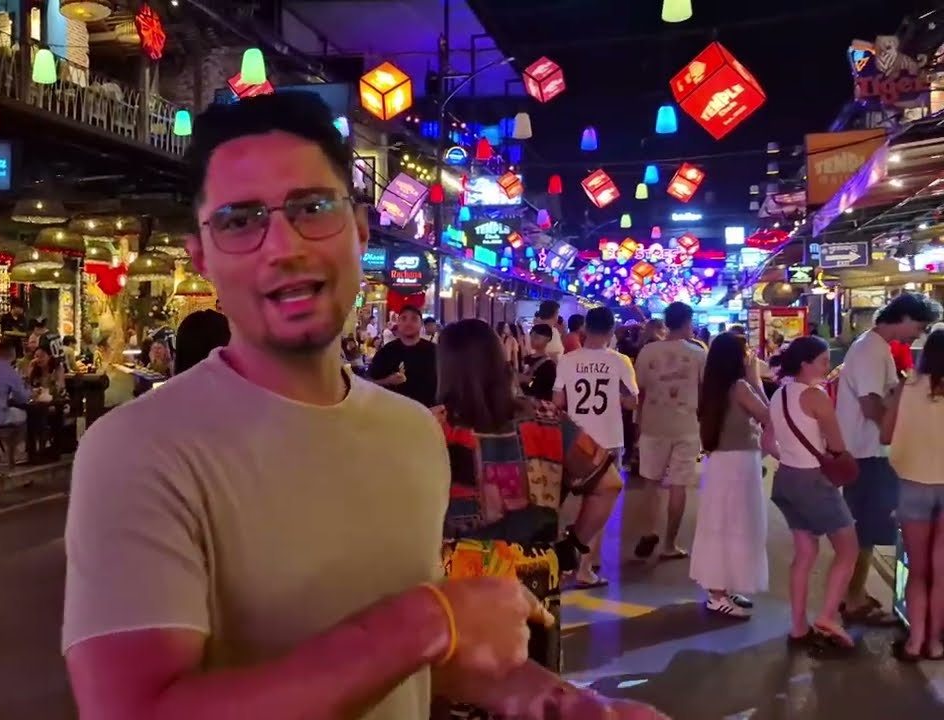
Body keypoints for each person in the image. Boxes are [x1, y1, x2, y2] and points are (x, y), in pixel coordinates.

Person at [61, 92, 660, 720]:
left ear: (361, 229)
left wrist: (564, 701)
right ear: (201, 258)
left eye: (313, 207)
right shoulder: (138, 449)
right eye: (239, 220)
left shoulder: (412, 433)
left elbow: (408, 671)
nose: (282, 246)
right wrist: (426, 620)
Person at [435, 318, 625, 708]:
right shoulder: (550, 421)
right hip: (535, 578)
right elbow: (609, 484)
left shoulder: (430, 427)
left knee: (460, 696)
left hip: (455, 586)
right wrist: (573, 545)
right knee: (532, 696)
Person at [835, 292, 941, 626]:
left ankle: (854, 594)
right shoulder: (871, 350)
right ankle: (852, 599)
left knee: (866, 528)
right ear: (905, 317)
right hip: (867, 453)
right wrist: (895, 430)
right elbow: (870, 405)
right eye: (919, 326)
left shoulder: (874, 347)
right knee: (865, 530)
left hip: (867, 452)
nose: (918, 334)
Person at [768, 336, 859, 651]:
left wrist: (791, 458)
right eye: (823, 360)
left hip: (786, 480)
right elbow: (837, 445)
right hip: (813, 482)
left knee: (804, 554)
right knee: (848, 549)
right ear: (806, 363)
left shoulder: (779, 394)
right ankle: (828, 616)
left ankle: (797, 627)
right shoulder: (816, 396)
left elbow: (767, 442)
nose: (827, 365)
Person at [690, 332, 774, 619]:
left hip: (726, 464)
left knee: (724, 524)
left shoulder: (716, 387)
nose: (751, 355)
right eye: (746, 350)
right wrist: (757, 380)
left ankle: (722, 587)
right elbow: (769, 414)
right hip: (739, 464)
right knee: (737, 524)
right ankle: (717, 594)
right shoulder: (740, 387)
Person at [554, 307, 637, 588]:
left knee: (567, 502)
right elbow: (631, 401)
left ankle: (561, 560)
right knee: (599, 504)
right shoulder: (620, 361)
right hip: (609, 440)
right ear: (612, 332)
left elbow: (558, 402)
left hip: (575, 439)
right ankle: (586, 567)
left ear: (584, 329)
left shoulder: (567, 360)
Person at [881, 328, 944, 661]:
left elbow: (887, 434)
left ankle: (915, 641)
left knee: (918, 570)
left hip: (913, 486)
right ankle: (936, 643)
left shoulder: (906, 387)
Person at [633, 302, 706, 561]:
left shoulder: (648, 352)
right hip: (686, 425)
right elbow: (705, 390)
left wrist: (638, 423)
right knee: (678, 485)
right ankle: (669, 544)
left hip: (653, 424)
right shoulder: (698, 353)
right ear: (687, 323)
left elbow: (639, 390)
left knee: (650, 483)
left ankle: (647, 530)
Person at [369, 305, 438, 408]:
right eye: (404, 318)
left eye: (414, 319)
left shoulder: (434, 351)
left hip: (428, 412)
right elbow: (370, 382)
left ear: (421, 324)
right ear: (398, 323)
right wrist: (388, 381)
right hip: (394, 412)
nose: (408, 323)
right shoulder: (386, 351)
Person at [519, 324, 557, 401]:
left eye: (536, 337)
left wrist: (529, 381)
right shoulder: (526, 359)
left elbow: (545, 389)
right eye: (531, 336)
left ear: (548, 339)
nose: (532, 340)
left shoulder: (549, 365)